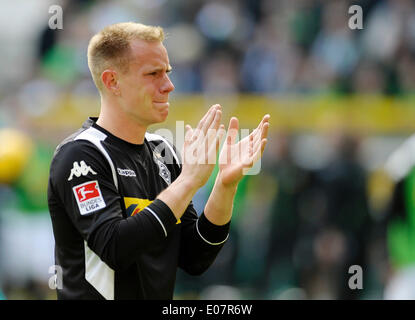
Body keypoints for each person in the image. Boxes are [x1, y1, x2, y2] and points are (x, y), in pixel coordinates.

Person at [47, 22, 269, 300]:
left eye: (167, 72)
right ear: (112, 81)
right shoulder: (80, 155)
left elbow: (194, 257)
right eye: (153, 73)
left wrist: (225, 186)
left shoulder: (163, 151)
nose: (169, 85)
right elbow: (116, 248)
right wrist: (189, 181)